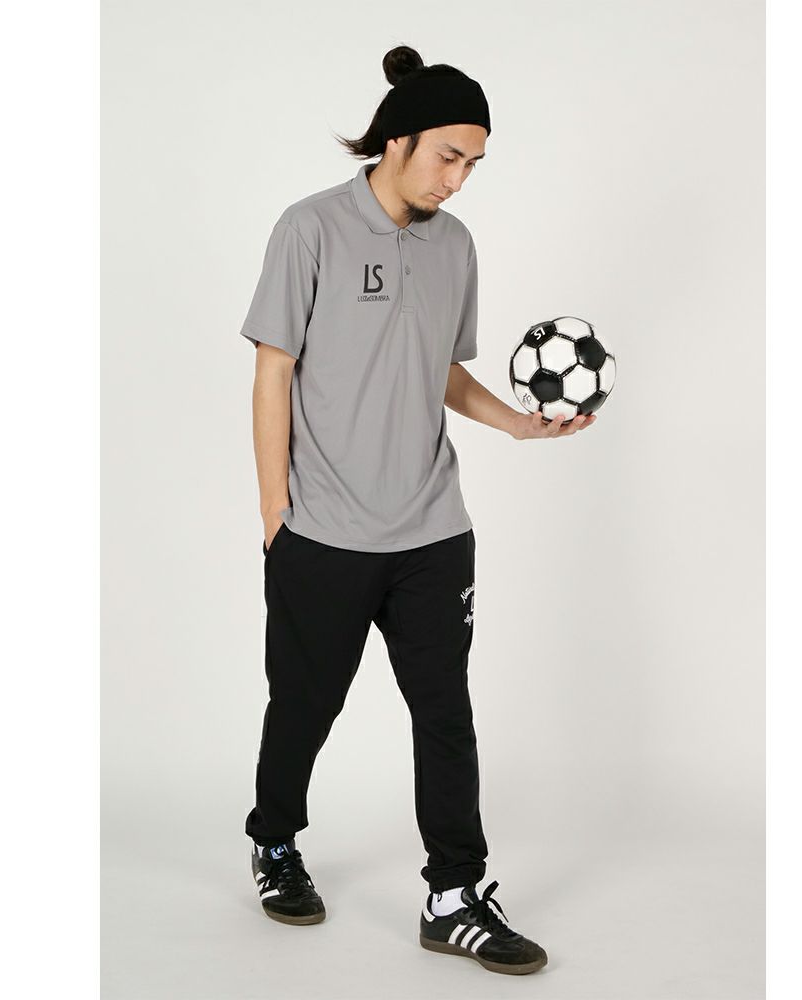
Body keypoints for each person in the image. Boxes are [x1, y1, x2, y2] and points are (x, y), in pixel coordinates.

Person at [238, 44, 596, 977]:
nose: (459, 179)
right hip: (323, 530)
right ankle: (274, 840)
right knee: (305, 705)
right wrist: (276, 516)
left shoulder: (455, 246)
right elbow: (273, 371)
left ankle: (455, 896)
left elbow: (440, 368)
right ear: (397, 141)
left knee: (444, 712)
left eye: (474, 163)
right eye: (448, 156)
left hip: (433, 530)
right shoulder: (310, 228)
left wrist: (517, 424)